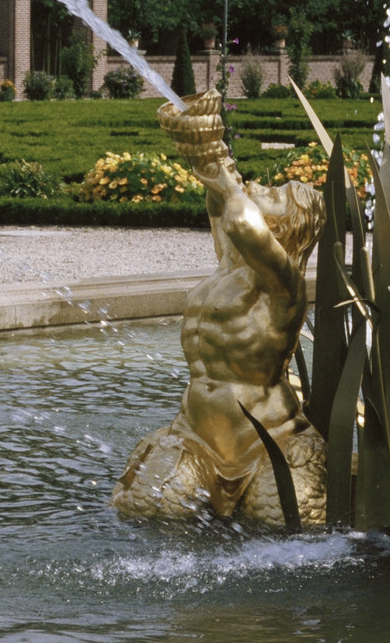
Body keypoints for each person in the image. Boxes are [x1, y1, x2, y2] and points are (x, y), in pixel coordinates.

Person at [112, 89, 328, 527]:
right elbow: (219, 201)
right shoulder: (231, 263)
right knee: (146, 514)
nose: (259, 187)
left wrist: (227, 178)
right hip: (197, 433)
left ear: (284, 226)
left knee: (281, 527)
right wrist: (206, 147)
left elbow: (242, 221)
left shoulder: (283, 285)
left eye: (274, 193)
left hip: (269, 440)